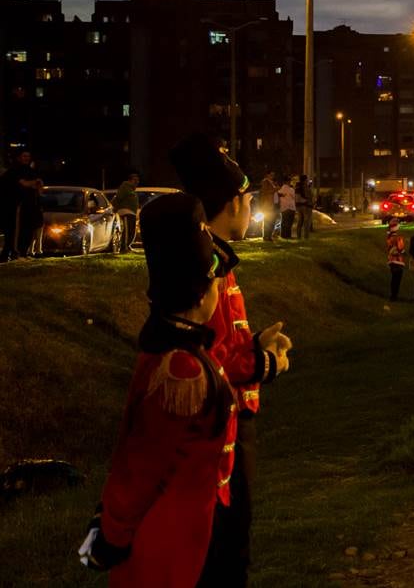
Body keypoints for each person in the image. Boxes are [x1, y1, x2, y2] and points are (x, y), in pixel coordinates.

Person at [80, 193, 236, 586]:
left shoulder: (179, 351)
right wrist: (110, 536)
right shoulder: (181, 372)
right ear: (202, 293)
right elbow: (141, 469)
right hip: (164, 545)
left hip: (184, 537)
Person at [170, 134, 291, 588]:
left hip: (234, 421)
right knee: (225, 552)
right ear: (232, 203)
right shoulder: (208, 270)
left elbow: (223, 340)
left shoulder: (218, 260)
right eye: (245, 197)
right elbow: (207, 353)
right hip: (223, 425)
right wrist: (265, 363)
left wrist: (255, 341)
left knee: (230, 544)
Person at [0, 150, 41, 261]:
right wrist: (34, 182)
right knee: (14, 231)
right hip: (15, 206)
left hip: (29, 206)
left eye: (28, 156)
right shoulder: (14, 170)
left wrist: (35, 184)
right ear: (19, 157)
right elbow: (24, 183)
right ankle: (13, 253)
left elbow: (38, 187)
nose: (26, 158)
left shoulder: (31, 171)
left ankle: (23, 253)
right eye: (24, 156)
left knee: (27, 230)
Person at [114, 170, 141, 250]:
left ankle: (128, 245)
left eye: (137, 180)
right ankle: (124, 247)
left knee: (132, 231)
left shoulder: (132, 189)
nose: (137, 182)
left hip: (131, 213)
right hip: (125, 212)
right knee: (127, 231)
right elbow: (118, 197)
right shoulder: (125, 186)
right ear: (130, 180)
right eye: (135, 180)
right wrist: (116, 208)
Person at [386, 218, 407, 301]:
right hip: (398, 260)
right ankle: (394, 296)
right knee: (397, 279)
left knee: (393, 279)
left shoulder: (389, 237)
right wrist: (404, 252)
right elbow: (400, 248)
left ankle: (393, 295)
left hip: (391, 260)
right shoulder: (398, 237)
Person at [257, 174, 277, 243]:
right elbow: (264, 192)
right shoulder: (265, 182)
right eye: (271, 174)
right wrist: (274, 190)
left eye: (273, 174)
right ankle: (266, 236)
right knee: (268, 221)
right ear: (267, 175)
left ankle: (269, 235)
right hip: (267, 204)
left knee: (272, 221)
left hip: (272, 204)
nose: (272, 176)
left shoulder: (272, 182)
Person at [294, 175, 313, 240]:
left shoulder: (297, 186)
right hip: (306, 206)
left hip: (299, 206)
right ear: (305, 180)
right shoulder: (305, 186)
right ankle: (306, 236)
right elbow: (308, 195)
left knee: (300, 221)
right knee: (306, 221)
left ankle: (298, 236)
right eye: (307, 179)